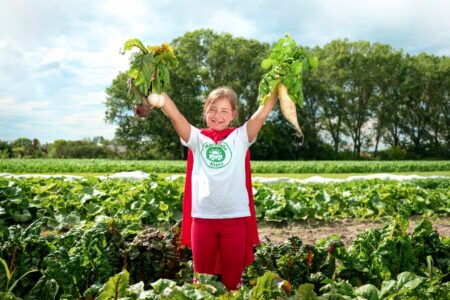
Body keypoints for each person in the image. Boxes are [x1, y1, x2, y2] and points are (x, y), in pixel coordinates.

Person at [148, 86, 278, 290]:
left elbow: (261, 113)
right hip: (203, 220)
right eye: (213, 109)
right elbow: (174, 115)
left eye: (225, 111)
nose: (218, 116)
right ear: (205, 111)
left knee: (232, 283)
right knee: (201, 282)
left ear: (233, 115)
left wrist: (279, 85)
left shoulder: (240, 137)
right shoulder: (197, 138)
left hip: (235, 220)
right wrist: (156, 90)